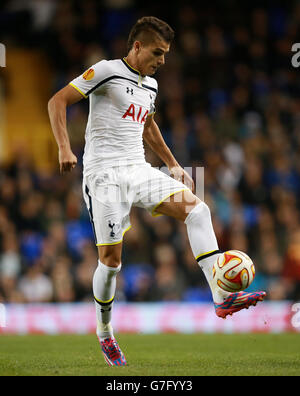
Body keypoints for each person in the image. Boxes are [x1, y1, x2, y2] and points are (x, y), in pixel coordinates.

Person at [48, 16, 266, 367]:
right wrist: (64, 147)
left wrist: (174, 164)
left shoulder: (150, 85)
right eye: (157, 52)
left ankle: (221, 295)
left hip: (138, 169)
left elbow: (147, 125)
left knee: (198, 210)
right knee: (111, 261)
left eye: (165, 54)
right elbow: (57, 102)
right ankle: (105, 333)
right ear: (137, 46)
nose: (162, 60)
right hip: (104, 175)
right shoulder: (105, 71)